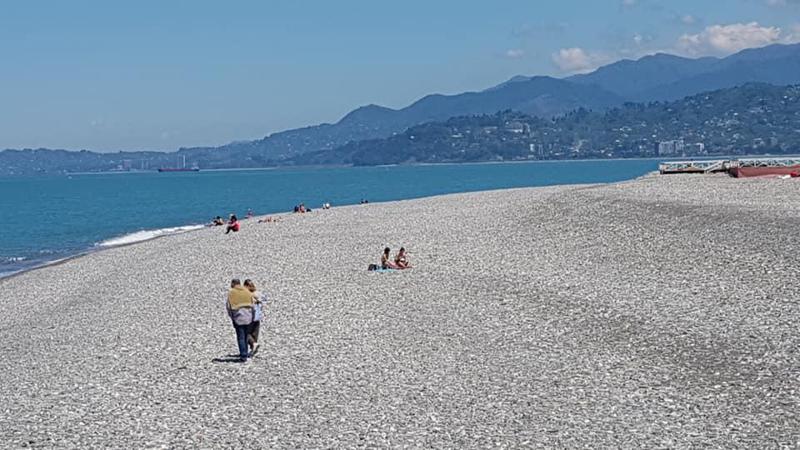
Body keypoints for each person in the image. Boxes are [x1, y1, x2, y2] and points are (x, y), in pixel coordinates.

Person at [226, 279, 254, 361]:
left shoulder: (232, 293)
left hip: (238, 317)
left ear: (233, 284)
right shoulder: (247, 291)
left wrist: (232, 317)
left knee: (240, 336)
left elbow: (229, 307)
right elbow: (252, 305)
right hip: (248, 316)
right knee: (245, 335)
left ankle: (243, 355)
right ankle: (245, 352)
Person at [243, 279, 265, 356]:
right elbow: (264, 299)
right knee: (255, 333)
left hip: (250, 316)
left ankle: (253, 344)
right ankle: (253, 349)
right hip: (257, 316)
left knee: (246, 333)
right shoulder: (258, 293)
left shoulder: (247, 294)